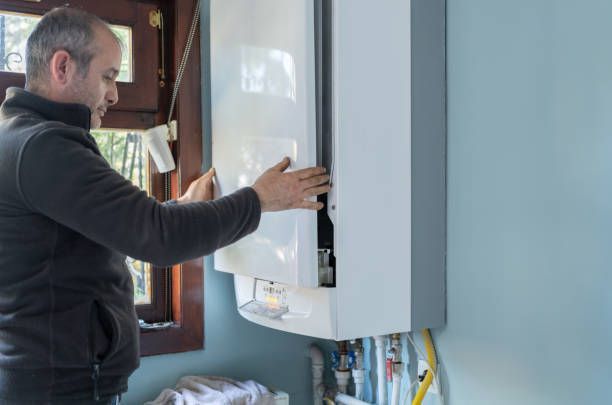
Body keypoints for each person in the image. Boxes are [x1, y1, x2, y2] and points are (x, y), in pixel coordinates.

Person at [0, 7, 330, 404]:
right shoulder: (45, 147)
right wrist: (260, 199)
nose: (115, 94)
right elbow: (157, 238)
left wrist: (182, 206)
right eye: (108, 76)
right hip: (59, 389)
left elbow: (109, 229)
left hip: (51, 380)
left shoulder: (23, 139)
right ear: (63, 66)